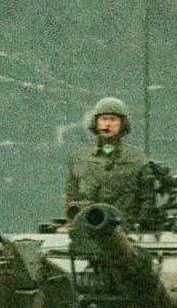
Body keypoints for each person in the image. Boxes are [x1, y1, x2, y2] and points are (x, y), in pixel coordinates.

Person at [64, 96, 153, 225]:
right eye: (104, 119)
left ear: (122, 124)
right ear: (96, 122)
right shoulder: (80, 158)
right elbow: (71, 194)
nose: (107, 124)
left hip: (124, 229)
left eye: (113, 119)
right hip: (87, 228)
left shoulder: (137, 159)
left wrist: (139, 224)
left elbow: (147, 198)